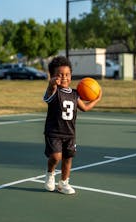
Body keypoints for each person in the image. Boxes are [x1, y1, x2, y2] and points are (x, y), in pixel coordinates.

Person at [43, 55, 102, 195]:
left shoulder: (75, 94)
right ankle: (50, 174)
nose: (64, 77)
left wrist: (97, 99)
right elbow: (50, 87)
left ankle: (64, 183)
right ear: (52, 76)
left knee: (68, 159)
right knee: (56, 157)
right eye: (60, 75)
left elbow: (85, 108)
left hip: (70, 133)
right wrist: (52, 82)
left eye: (67, 74)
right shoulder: (53, 92)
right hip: (54, 132)